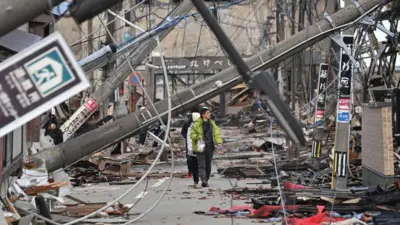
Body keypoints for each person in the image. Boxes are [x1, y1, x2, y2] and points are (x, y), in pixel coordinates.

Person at [190, 106, 223, 187]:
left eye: (209, 113)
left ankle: (206, 178)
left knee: (208, 164)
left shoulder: (212, 123)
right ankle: (203, 180)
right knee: (201, 165)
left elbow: (216, 133)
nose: (209, 114)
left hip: (209, 146)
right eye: (207, 113)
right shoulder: (196, 124)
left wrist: (219, 142)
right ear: (203, 114)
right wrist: (197, 137)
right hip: (200, 147)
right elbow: (192, 135)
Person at [181, 108, 200, 178]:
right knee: (189, 158)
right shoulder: (187, 123)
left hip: (198, 143)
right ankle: (190, 171)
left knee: (197, 158)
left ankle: (196, 172)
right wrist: (188, 138)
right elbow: (183, 132)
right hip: (189, 143)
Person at [186, 112, 201, 187]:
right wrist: (190, 149)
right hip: (194, 150)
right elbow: (189, 140)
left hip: (201, 149)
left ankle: (204, 179)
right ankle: (196, 181)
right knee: (195, 165)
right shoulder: (190, 128)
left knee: (202, 165)